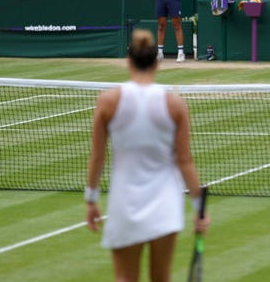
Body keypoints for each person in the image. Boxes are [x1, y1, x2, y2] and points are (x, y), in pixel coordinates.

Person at [85, 28, 210, 282]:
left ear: (129, 62)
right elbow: (184, 161)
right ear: (156, 63)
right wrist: (199, 208)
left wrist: (91, 199)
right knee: (161, 278)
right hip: (165, 205)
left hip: (124, 203)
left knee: (124, 278)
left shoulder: (107, 101)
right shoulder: (175, 104)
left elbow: (97, 156)